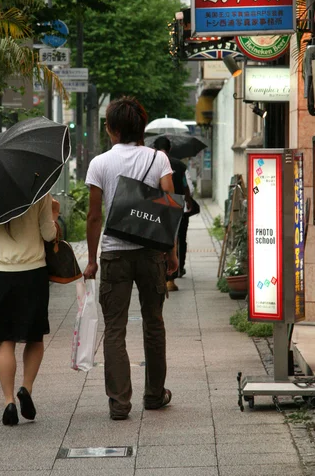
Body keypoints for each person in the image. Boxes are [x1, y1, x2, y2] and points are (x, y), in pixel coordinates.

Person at [84, 96, 178, 420]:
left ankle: (119, 403)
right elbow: (168, 206)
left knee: (114, 329)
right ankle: (154, 395)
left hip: (114, 254)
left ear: (110, 128)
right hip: (151, 252)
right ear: (141, 128)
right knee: (154, 324)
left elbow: (94, 216)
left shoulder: (100, 164)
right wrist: (172, 252)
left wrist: (92, 259)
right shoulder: (159, 159)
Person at [0, 194, 60, 426]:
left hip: (3, 275)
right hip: (33, 273)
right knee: (34, 337)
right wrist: (54, 214)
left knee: (5, 341)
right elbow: (49, 234)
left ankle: (9, 401)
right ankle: (26, 389)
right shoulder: (39, 192)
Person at [153, 136, 193, 292]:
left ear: (155, 148)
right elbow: (185, 185)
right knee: (179, 238)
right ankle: (177, 269)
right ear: (169, 149)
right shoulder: (180, 165)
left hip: (157, 208)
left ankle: (161, 271)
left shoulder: (152, 164)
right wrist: (188, 200)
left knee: (159, 240)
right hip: (178, 207)